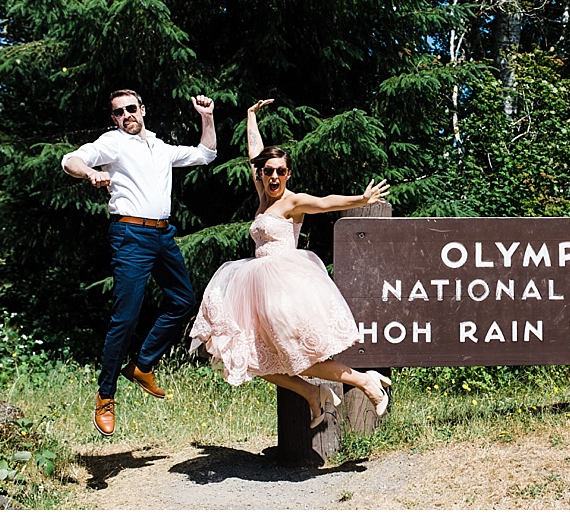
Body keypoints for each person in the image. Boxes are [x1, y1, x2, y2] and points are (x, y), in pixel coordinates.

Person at [188, 98, 390, 423]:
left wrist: (361, 199)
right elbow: (255, 154)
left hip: (285, 287)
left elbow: (325, 203)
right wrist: (250, 116)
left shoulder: (292, 201)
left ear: (288, 174)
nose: (273, 177)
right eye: (268, 172)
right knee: (252, 359)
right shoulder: (263, 199)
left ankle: (364, 380)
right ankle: (313, 393)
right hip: (258, 290)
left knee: (300, 357)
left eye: (280, 172)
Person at [61, 88, 217, 437]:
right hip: (130, 235)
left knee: (183, 301)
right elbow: (70, 159)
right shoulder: (112, 143)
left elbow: (206, 154)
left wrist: (206, 116)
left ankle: (142, 365)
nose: (126, 115)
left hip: (163, 235)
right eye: (118, 112)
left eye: (131, 108)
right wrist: (89, 172)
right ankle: (105, 397)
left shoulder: (160, 147)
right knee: (126, 316)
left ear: (143, 109)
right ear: (114, 119)